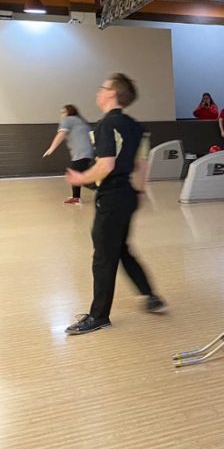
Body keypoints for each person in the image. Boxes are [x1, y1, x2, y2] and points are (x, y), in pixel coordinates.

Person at [64, 73, 166, 335]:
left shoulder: (105, 125)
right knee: (120, 248)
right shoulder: (136, 126)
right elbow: (143, 164)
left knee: (103, 257)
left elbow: (106, 165)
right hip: (128, 195)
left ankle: (98, 316)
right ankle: (150, 295)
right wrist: (139, 194)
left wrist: (80, 177)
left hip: (111, 197)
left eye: (102, 88)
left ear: (112, 94)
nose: (98, 92)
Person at [44, 104, 94, 205]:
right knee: (78, 174)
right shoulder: (81, 122)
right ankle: (76, 198)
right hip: (88, 153)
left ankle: (103, 190)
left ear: (68, 112)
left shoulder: (68, 120)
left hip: (81, 154)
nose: (61, 115)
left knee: (78, 176)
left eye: (63, 112)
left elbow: (61, 134)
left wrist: (51, 148)